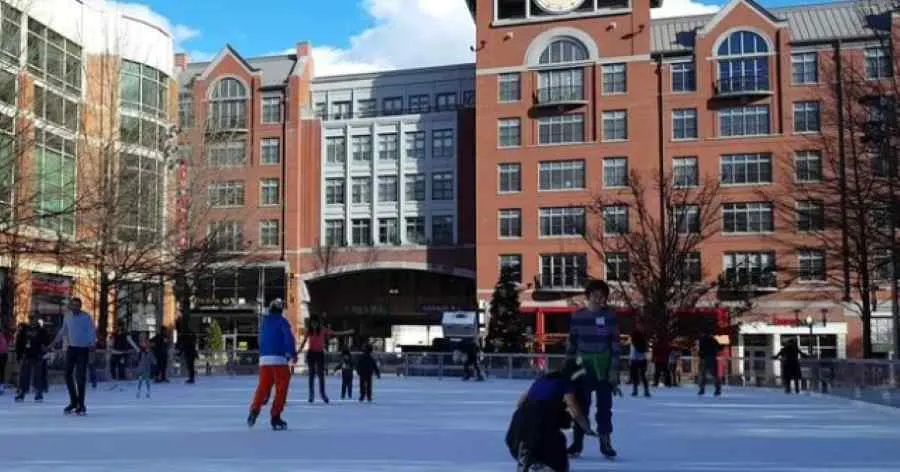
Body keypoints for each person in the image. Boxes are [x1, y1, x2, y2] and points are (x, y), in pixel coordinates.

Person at [506, 359, 595, 472]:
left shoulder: (542, 379)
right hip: (542, 419)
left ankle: (530, 458)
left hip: (519, 421)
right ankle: (540, 462)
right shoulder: (566, 382)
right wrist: (586, 427)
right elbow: (573, 408)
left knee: (536, 439)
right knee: (557, 449)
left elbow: (520, 402)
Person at [566, 279, 622, 459]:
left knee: (605, 407)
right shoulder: (578, 316)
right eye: (595, 295)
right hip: (583, 366)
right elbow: (572, 342)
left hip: (604, 367)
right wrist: (569, 366)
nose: (599, 299)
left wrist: (614, 369)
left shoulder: (610, 317)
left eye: (602, 296)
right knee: (582, 405)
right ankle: (577, 443)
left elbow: (615, 344)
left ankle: (605, 442)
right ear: (588, 296)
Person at [248, 299, 296, 430]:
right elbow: (288, 338)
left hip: (264, 359)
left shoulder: (264, 323)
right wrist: (292, 353)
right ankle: (275, 416)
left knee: (263, 386)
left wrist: (263, 353)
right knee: (281, 388)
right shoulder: (282, 321)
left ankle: (254, 410)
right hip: (279, 359)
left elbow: (260, 339)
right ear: (281, 310)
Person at [50, 298, 97, 415]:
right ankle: (73, 401)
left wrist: (92, 343)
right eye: (73, 305)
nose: (75, 307)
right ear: (70, 306)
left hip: (83, 349)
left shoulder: (86, 317)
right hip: (71, 348)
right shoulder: (67, 316)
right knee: (67, 375)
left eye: (78, 305)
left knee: (80, 377)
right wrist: (54, 342)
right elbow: (63, 331)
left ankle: (81, 404)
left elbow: (91, 331)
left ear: (80, 306)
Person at [298, 316, 353, 404]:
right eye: (312, 323)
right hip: (311, 353)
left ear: (318, 323)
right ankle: (311, 394)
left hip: (320, 354)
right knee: (311, 375)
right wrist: (298, 351)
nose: (314, 325)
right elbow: (304, 341)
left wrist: (347, 332)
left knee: (321, 375)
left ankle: (322, 394)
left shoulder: (323, 330)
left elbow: (335, 333)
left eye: (315, 323)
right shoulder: (309, 331)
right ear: (311, 323)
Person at [14, 318, 49, 402]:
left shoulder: (42, 331)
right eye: (31, 318)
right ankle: (22, 392)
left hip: (38, 354)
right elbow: (19, 342)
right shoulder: (24, 329)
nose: (33, 321)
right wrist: (19, 354)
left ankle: (38, 392)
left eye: (35, 319)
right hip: (27, 354)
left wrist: (45, 350)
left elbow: (46, 341)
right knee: (24, 375)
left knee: (38, 375)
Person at [628, 329, 650, 397]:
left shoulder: (633, 343)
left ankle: (635, 391)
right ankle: (646, 391)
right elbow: (646, 351)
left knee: (635, 376)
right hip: (643, 360)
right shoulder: (643, 342)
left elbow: (632, 353)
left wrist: (630, 360)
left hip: (634, 360)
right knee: (643, 376)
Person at [135, 334, 156, 399]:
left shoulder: (149, 352)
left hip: (147, 369)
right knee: (140, 380)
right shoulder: (141, 352)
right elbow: (137, 359)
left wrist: (154, 362)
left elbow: (153, 360)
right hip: (141, 368)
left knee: (147, 380)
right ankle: (138, 392)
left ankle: (148, 392)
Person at [0, 323, 9, 395]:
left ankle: (1, 386)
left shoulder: (3, 335)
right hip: (4, 354)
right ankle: (1, 386)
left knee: (1, 371)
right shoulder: (4, 335)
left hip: (2, 354)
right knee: (2, 371)